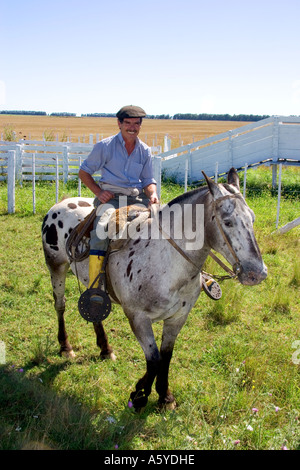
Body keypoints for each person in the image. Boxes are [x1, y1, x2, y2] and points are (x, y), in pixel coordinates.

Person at [78, 105, 159, 297]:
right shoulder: (105, 147)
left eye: (136, 124)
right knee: (100, 233)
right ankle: (95, 288)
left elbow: (148, 180)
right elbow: (84, 172)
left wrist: (153, 194)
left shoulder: (144, 150)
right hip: (111, 199)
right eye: (128, 123)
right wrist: (98, 192)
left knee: (160, 228)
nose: (132, 127)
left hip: (136, 199)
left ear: (140, 126)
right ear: (119, 123)